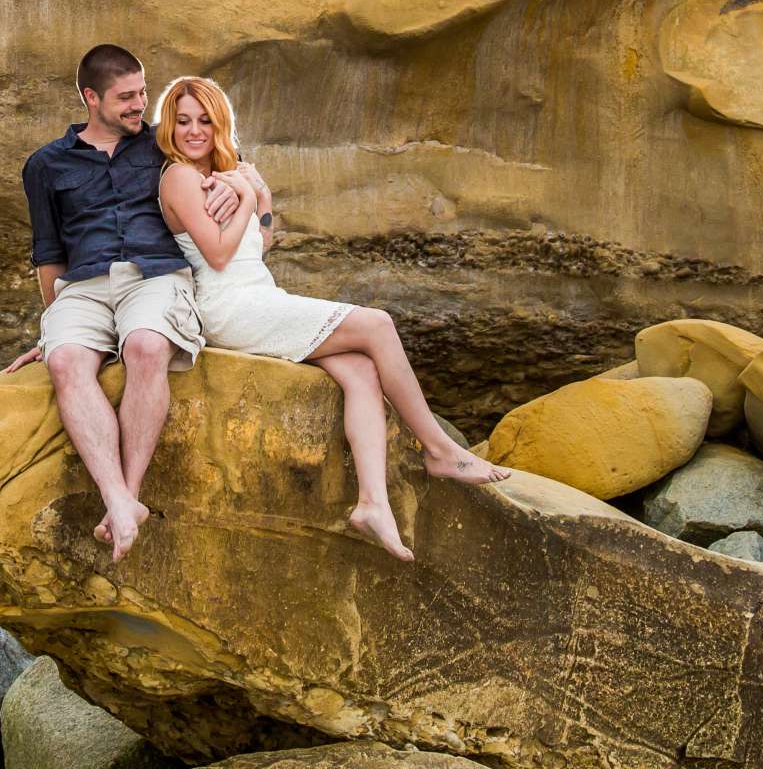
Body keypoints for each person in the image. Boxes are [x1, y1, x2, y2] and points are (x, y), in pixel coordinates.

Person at [153, 74, 508, 560]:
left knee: (362, 370)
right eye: (183, 121)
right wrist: (248, 197)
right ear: (170, 128)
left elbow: (262, 243)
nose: (193, 131)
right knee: (377, 324)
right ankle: (441, 450)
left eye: (204, 120)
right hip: (229, 307)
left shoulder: (225, 174)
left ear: (221, 125)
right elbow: (216, 254)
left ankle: (372, 505)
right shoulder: (178, 176)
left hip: (259, 295)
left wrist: (261, 197)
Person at [1, 44, 235, 560]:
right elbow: (48, 253)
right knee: (65, 360)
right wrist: (51, 329)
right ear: (91, 97)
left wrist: (244, 182)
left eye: (143, 93)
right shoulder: (45, 165)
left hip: (154, 274)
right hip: (83, 285)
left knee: (147, 347)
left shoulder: (161, 146)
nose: (140, 105)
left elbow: (228, 158)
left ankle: (128, 494)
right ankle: (119, 499)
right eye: (126, 97)